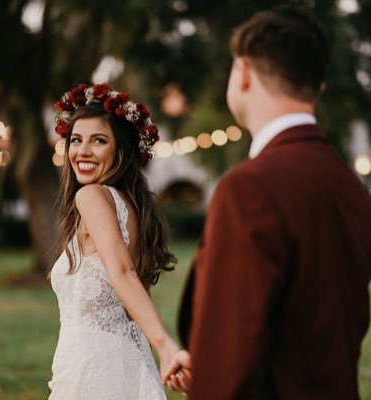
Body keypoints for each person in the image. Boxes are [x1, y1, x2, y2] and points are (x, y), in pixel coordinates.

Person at [164, 6, 371, 399]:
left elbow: (230, 370)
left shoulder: (249, 189)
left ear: (242, 73)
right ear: (319, 85)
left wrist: (215, 364)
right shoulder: (349, 186)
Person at [47, 82, 181, 399]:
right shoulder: (133, 207)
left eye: (99, 141)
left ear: (120, 150)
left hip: (94, 367)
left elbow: (123, 273)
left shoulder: (92, 197)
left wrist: (166, 345)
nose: (82, 151)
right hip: (130, 360)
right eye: (76, 140)